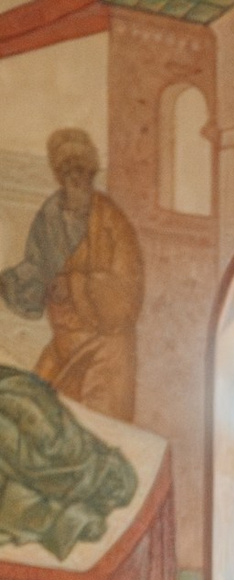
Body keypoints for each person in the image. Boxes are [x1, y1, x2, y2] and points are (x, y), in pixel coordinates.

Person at [1, 128, 143, 417]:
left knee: (95, 426)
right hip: (64, 343)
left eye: (79, 169)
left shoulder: (111, 221)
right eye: (66, 170)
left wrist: (75, 285)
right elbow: (36, 267)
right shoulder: (51, 215)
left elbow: (127, 293)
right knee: (31, 414)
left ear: (90, 172)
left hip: (104, 349)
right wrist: (8, 283)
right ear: (58, 174)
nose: (73, 177)